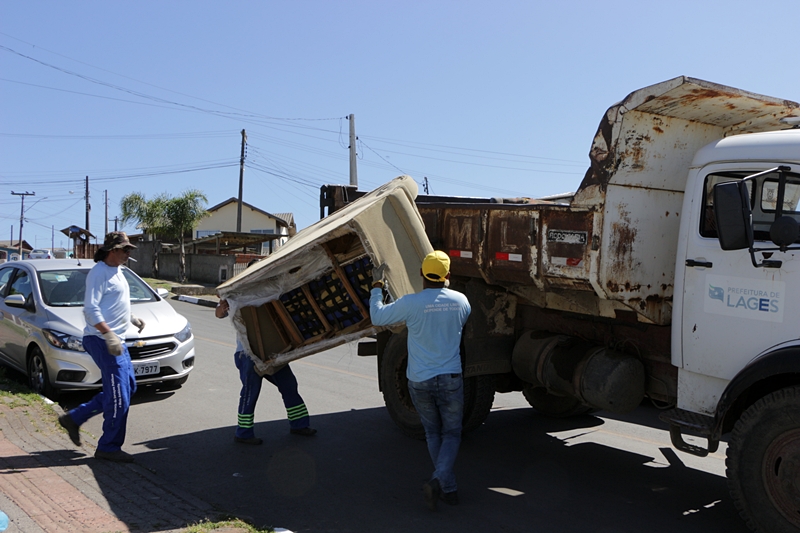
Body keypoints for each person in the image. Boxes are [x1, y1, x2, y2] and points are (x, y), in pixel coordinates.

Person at [369, 250, 471, 510]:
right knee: (451, 433)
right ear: (448, 276)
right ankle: (442, 482)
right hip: (450, 378)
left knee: (432, 432)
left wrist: (376, 287)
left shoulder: (411, 303)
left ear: (422, 275)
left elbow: (378, 317)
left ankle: (447, 487)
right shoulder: (462, 302)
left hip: (419, 380)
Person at [58, 232, 145, 463]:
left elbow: (114, 303)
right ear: (111, 250)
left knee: (127, 388)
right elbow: (91, 309)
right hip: (102, 340)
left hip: (117, 339)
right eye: (125, 250)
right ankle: (108, 447)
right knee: (120, 397)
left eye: (129, 250)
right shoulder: (99, 273)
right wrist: (108, 334)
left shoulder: (119, 271)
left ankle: (75, 418)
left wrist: (131, 318)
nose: (128, 254)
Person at [216, 282, 316, 445]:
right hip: (247, 354)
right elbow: (218, 313)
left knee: (289, 385)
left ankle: (299, 424)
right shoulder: (240, 296)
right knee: (250, 392)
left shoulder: (271, 292)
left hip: (272, 352)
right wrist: (223, 306)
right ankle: (243, 433)